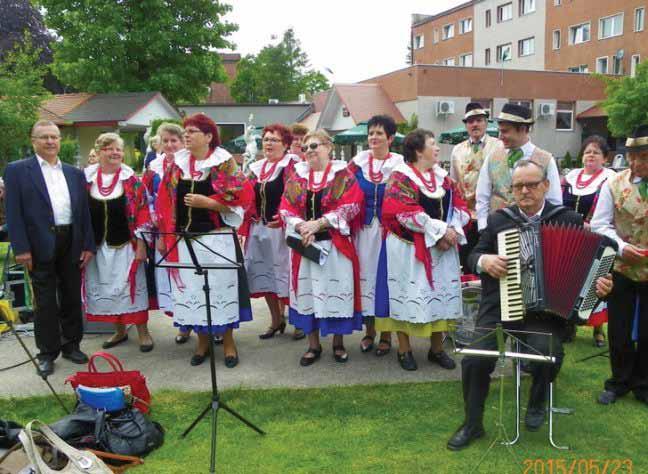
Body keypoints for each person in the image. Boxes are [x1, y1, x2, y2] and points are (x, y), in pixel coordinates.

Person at [447, 159, 613, 450]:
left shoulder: (568, 220)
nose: (524, 191)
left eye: (532, 185)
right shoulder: (500, 219)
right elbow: (473, 256)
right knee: (474, 359)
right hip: (499, 305)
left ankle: (537, 400)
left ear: (546, 186)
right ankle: (472, 424)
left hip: (544, 315)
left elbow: (590, 274)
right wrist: (485, 261)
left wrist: (601, 287)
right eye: (518, 186)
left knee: (550, 352)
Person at [156, 113, 254, 368]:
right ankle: (202, 341)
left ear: (209, 137)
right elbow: (164, 201)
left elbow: (241, 199)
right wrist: (164, 234)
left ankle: (229, 341)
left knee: (221, 291)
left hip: (216, 240)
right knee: (193, 292)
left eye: (193, 131)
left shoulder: (223, 164)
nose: (186, 135)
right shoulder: (176, 165)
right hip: (184, 240)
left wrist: (210, 203)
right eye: (185, 130)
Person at [4, 120, 95, 376]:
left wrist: (87, 244)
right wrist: (21, 247)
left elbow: (83, 212)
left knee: (70, 295)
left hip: (71, 240)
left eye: (54, 137)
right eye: (44, 137)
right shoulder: (18, 170)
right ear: (33, 140)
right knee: (44, 301)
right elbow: (14, 212)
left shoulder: (74, 173)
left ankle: (71, 344)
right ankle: (47, 353)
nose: (50, 141)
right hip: (38, 243)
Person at [378, 129, 468, 371]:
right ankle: (404, 349)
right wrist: (439, 232)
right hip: (408, 249)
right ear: (419, 151)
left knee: (439, 294)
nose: (437, 148)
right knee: (407, 294)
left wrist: (452, 232)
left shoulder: (442, 177)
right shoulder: (401, 176)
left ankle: (436, 349)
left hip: (442, 248)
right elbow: (404, 212)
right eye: (433, 143)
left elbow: (458, 206)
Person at [279, 129, 364, 366]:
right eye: (305, 148)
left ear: (328, 147)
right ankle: (313, 345)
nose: (309, 152)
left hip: (334, 246)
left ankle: (338, 343)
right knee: (309, 294)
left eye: (314, 146)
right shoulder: (298, 176)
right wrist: (301, 227)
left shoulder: (343, 175)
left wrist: (318, 224)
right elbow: (286, 207)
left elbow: (352, 204)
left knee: (336, 293)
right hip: (306, 246)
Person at [592, 124, 648, 407]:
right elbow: (600, 224)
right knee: (620, 327)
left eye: (645, 156)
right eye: (634, 156)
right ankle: (618, 382)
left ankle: (644, 384)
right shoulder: (612, 184)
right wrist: (623, 248)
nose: (638, 163)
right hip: (622, 267)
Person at [84, 133, 154, 352]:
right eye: (109, 148)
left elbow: (143, 212)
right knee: (108, 290)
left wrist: (142, 245)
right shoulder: (85, 180)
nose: (114, 153)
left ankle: (143, 333)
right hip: (97, 248)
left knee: (132, 289)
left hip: (126, 246)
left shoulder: (131, 180)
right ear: (98, 152)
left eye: (118, 149)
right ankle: (120, 331)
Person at [347, 115, 404, 357]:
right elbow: (342, 191)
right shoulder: (356, 165)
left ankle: (386, 335)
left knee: (386, 279)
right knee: (366, 279)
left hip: (389, 233)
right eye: (371, 133)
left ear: (390, 138)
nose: (373, 137)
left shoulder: (401, 166)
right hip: (363, 232)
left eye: (379, 133)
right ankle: (369, 331)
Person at [240, 124, 303, 340]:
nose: (267, 143)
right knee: (267, 276)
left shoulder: (292, 165)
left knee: (287, 276)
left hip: (283, 232)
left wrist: (285, 217)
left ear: (286, 145)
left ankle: (298, 321)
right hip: (259, 229)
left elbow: (297, 196)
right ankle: (276, 320)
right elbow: (246, 196)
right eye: (265, 139)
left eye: (273, 140)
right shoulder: (257, 167)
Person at [141, 123, 194, 344]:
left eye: (174, 140)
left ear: (183, 142)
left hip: (189, 230)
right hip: (163, 234)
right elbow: (148, 203)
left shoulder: (192, 164)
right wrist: (160, 233)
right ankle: (184, 324)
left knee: (193, 279)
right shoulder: (153, 169)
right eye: (166, 141)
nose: (170, 145)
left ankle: (208, 326)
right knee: (175, 281)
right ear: (159, 143)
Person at [562, 135, 616, 347]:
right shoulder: (570, 177)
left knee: (596, 280)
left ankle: (598, 329)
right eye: (587, 152)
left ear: (605, 157)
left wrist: (590, 224)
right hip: (569, 237)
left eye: (596, 152)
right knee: (570, 281)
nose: (591, 155)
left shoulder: (609, 179)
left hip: (597, 237)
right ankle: (569, 324)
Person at [475, 103, 562, 232]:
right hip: (498, 231)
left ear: (522, 129)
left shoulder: (546, 160)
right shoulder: (492, 157)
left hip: (535, 231)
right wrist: (483, 228)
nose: (500, 136)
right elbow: (482, 196)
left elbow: (554, 201)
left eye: (505, 131)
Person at [450, 103, 503, 270]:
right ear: (466, 125)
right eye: (470, 121)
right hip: (465, 218)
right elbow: (453, 182)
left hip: (492, 215)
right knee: (467, 262)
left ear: (486, 123)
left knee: (492, 261)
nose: (475, 125)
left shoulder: (499, 146)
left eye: (479, 120)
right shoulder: (457, 150)